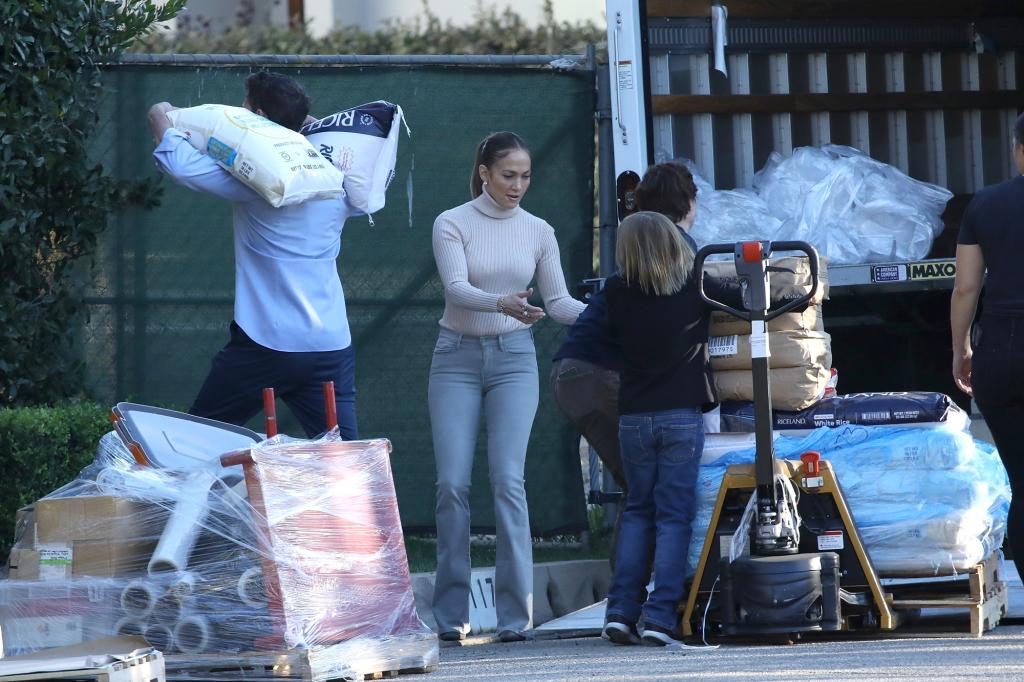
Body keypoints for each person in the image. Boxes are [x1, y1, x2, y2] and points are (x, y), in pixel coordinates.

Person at [428, 131, 586, 643]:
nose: (517, 185)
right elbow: (455, 288)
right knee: (452, 484)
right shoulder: (452, 223)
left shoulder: (539, 230)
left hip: (515, 360)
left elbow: (558, 301)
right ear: (483, 172)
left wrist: (605, 318)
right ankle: (450, 615)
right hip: (456, 357)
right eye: (507, 175)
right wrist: (502, 303)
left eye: (525, 176)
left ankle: (516, 618)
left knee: (508, 481)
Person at [147, 71, 357, 439]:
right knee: (348, 460)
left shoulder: (256, 183)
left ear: (256, 116)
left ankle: (171, 498)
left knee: (195, 442)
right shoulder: (336, 177)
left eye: (246, 109)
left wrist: (160, 112)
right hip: (330, 346)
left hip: (266, 344)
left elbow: (179, 162)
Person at [600, 210, 744, 647]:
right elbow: (749, 298)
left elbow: (607, 342)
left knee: (638, 510)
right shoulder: (694, 284)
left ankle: (621, 610)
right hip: (681, 415)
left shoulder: (615, 291)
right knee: (674, 515)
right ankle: (661, 616)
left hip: (633, 418)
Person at [551, 163, 701, 499]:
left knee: (640, 488)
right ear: (690, 202)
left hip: (575, 370)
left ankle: (639, 553)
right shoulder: (678, 247)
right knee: (647, 493)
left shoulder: (643, 244)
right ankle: (650, 554)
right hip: (598, 374)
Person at [950, 111, 1024, 581]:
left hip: (1002, 349)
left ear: (1018, 148)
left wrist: (961, 348)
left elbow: (966, 288)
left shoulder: (986, 203)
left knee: (1021, 476)